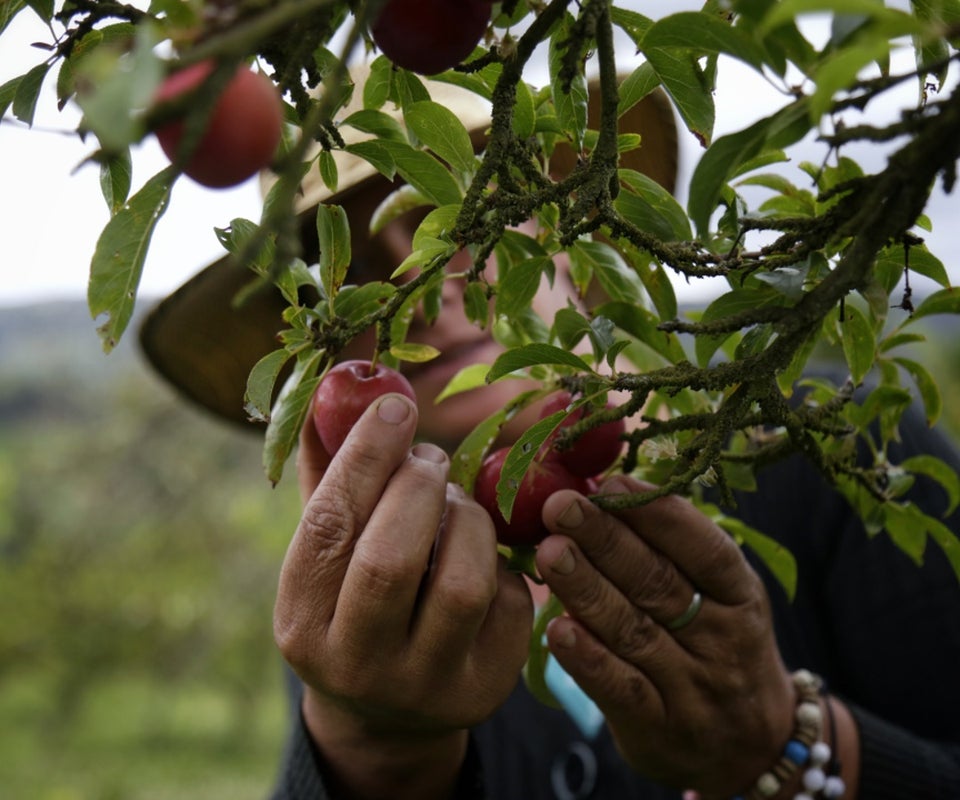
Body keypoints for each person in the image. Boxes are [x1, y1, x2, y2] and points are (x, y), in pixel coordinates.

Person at [139, 68, 960, 800]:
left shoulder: (830, 442)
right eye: (348, 282)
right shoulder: (372, 593)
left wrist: (785, 749)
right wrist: (369, 749)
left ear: (570, 239)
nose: (416, 285)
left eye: (460, 217)